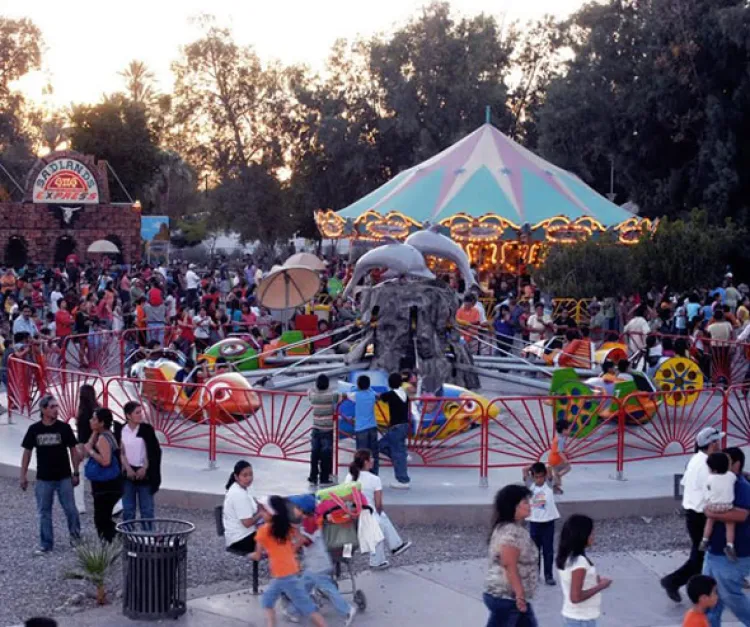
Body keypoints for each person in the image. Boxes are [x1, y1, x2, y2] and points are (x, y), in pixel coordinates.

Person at [661, 426, 724, 603]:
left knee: (701, 556)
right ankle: (673, 582)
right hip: (700, 515)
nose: (720, 444)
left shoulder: (696, 460)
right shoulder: (706, 465)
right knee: (701, 557)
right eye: (717, 441)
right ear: (712, 444)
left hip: (693, 513)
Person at [249, 495, 328, 627]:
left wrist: (249, 555)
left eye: (263, 510)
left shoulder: (263, 531)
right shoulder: (288, 527)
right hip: (289, 571)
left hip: (282, 575)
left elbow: (257, 555)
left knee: (305, 606)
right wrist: (291, 550)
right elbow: (301, 539)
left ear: (270, 512)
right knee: (268, 601)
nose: (261, 514)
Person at [20, 394, 81, 555]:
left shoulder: (64, 428)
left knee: (70, 509)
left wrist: (76, 472)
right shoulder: (35, 430)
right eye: (52, 407)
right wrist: (23, 475)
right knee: (44, 512)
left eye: (56, 406)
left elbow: (73, 450)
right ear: (43, 409)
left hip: (64, 477)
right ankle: (46, 544)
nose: (56, 410)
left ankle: (76, 540)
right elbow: (27, 452)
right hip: (43, 478)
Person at [286, 498, 358, 626]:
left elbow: (305, 541)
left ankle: (347, 610)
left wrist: (291, 548)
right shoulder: (309, 520)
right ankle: (292, 610)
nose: (294, 510)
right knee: (303, 587)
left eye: (296, 508)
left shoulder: (309, 523)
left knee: (327, 589)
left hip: (317, 565)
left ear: (303, 509)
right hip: (316, 563)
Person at [701, 446, 750, 627]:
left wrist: (712, 514)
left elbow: (741, 515)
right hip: (714, 551)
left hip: (733, 555)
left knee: (730, 596)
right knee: (709, 596)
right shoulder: (717, 480)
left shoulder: (741, 486)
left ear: (736, 464)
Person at [345, 449, 411, 570]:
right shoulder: (374, 479)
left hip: (354, 513)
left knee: (380, 520)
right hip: (368, 513)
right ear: (366, 462)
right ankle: (388, 551)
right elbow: (379, 504)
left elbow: (348, 497)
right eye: (371, 458)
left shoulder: (349, 477)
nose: (373, 460)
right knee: (380, 520)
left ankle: (395, 546)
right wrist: (378, 513)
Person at [484, 484, 538, 626]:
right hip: (508, 599)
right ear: (513, 506)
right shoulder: (511, 532)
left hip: (509, 599)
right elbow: (509, 564)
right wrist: (519, 595)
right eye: (525, 502)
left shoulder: (510, 528)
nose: (529, 505)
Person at [557, 514, 612, 627]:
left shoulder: (567, 556)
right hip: (582, 619)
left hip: (574, 616)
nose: (593, 536)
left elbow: (574, 581)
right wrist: (601, 585)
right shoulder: (580, 563)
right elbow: (576, 597)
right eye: (591, 533)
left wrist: (593, 580)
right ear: (582, 536)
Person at [117, 401, 162, 523]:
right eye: (137, 413)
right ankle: (129, 537)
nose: (140, 415)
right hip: (128, 473)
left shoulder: (146, 429)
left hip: (144, 472)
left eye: (140, 412)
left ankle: (148, 537)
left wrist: (145, 467)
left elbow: (153, 450)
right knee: (128, 509)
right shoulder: (121, 430)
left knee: (147, 510)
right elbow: (121, 452)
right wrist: (127, 468)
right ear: (128, 415)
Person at [85, 408, 122, 543]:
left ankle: (113, 542)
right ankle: (115, 540)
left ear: (101, 423)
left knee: (101, 519)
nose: (91, 421)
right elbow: (87, 445)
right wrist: (94, 431)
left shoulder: (103, 439)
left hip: (106, 485)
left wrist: (92, 452)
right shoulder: (104, 434)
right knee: (103, 517)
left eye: (94, 419)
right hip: (109, 484)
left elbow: (106, 461)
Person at [523, 462, 559, 586]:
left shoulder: (548, 485)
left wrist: (545, 466)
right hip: (534, 523)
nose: (539, 479)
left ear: (544, 476)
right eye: (536, 477)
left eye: (541, 476)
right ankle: (535, 575)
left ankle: (548, 575)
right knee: (535, 550)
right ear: (533, 477)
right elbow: (524, 470)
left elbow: (549, 469)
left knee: (548, 550)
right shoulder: (530, 486)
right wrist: (532, 468)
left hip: (548, 523)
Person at [700, 452, 737, 560]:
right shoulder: (731, 476)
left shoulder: (710, 478)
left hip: (713, 507)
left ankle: (705, 540)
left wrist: (707, 501)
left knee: (710, 521)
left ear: (713, 470)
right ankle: (730, 545)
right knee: (730, 524)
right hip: (727, 506)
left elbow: (706, 491)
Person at [377, 372, 411, 489]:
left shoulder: (390, 395)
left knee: (381, 446)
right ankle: (403, 456)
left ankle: (403, 480)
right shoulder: (405, 395)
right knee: (394, 450)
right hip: (405, 426)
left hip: (396, 427)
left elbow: (380, 397)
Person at [222, 460, 263, 553]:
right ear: (236, 477)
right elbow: (247, 523)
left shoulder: (243, 488)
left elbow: (254, 504)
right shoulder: (238, 494)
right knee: (277, 535)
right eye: (245, 475)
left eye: (251, 474)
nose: (249, 478)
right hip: (241, 540)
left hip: (242, 535)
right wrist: (261, 513)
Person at [306, 374, 338, 488]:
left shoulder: (313, 396)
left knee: (314, 454)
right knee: (326, 454)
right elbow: (340, 396)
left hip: (316, 429)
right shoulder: (331, 396)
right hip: (327, 430)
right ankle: (324, 478)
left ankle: (313, 477)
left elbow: (308, 392)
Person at [73, 384, 99, 515]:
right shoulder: (97, 409)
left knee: (80, 475)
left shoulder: (82, 412)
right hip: (97, 446)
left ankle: (79, 505)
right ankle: (115, 505)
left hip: (84, 445)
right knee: (100, 477)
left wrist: (82, 447)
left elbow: (81, 433)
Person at [347, 375, 379, 475]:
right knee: (373, 453)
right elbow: (372, 391)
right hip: (373, 427)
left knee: (361, 454)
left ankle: (362, 475)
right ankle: (374, 474)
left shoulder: (356, 395)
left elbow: (349, 391)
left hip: (361, 429)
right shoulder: (372, 394)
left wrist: (356, 387)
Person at [548, 419, 572, 495]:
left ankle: (556, 487)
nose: (569, 431)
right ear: (564, 430)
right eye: (568, 429)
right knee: (568, 467)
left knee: (557, 471)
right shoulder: (561, 439)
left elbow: (558, 448)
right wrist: (565, 460)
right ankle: (557, 478)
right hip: (556, 459)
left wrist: (565, 450)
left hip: (552, 458)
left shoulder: (557, 436)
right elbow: (559, 451)